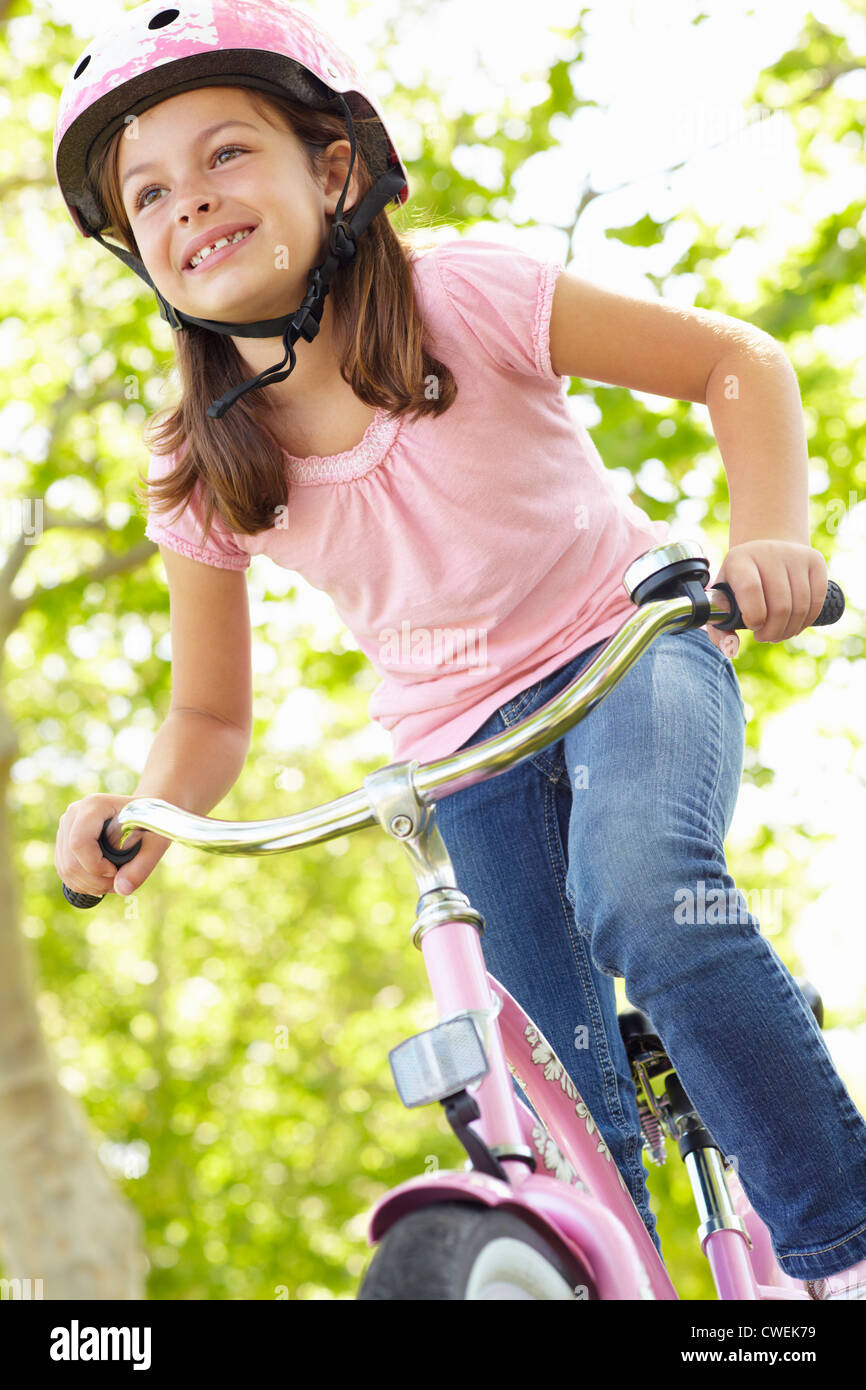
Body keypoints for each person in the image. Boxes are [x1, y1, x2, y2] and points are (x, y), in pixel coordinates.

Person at [52, 0, 866, 1300]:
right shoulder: (196, 464)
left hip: (625, 646)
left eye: (224, 155)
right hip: (460, 752)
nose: (186, 203)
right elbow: (207, 717)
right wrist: (150, 809)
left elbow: (733, 363)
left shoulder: (458, 294)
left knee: (647, 886)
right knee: (548, 1076)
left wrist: (767, 534)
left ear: (332, 169)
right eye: (145, 193)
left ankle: (843, 1237)